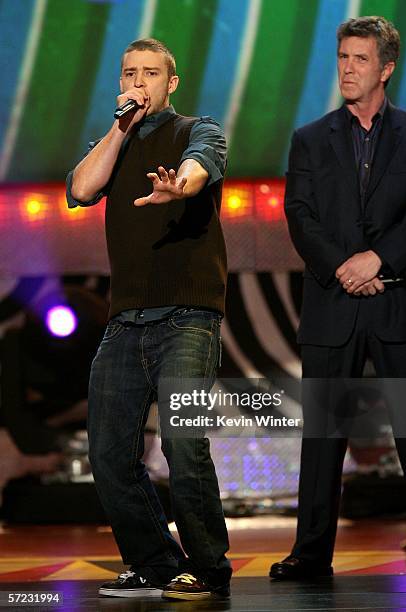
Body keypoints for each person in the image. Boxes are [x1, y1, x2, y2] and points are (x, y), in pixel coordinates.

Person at [66, 38, 231, 601]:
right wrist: (119, 128)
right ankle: (158, 565)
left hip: (187, 317)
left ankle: (209, 568)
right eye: (129, 73)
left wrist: (176, 187)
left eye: (150, 74)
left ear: (171, 82)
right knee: (109, 454)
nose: (138, 82)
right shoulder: (115, 142)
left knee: (184, 444)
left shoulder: (196, 129)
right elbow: (81, 189)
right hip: (124, 322)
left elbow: (198, 168)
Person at [270, 16, 406, 580]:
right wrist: (343, 267)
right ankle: (310, 553)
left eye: (359, 59)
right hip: (333, 306)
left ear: (386, 69)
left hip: (397, 302)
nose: (347, 69)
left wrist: (381, 260)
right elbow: (299, 216)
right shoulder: (310, 138)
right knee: (323, 436)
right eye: (342, 58)